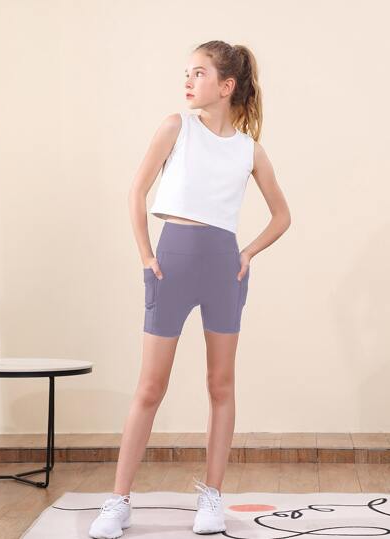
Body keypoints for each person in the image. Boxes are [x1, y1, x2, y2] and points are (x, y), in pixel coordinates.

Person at [89, 39, 291, 539]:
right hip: (171, 264)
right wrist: (146, 255)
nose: (187, 80)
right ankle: (118, 500)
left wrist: (247, 253)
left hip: (223, 269)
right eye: (187, 72)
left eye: (198, 73)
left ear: (226, 86)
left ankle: (212, 496)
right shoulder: (176, 127)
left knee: (221, 386)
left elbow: (282, 216)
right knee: (150, 387)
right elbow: (137, 190)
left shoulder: (249, 150)